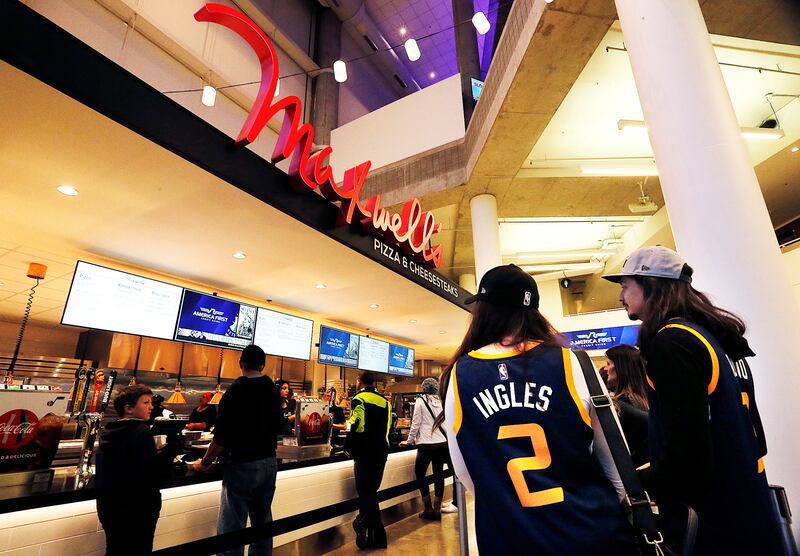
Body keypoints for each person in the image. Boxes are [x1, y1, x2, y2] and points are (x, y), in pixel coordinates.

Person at [439, 264, 636, 555]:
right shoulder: (573, 362)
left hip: (508, 537)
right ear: (533, 311)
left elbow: (466, 472)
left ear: (483, 310)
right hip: (586, 530)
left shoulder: (459, 374)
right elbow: (616, 464)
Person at [603, 245, 783, 554]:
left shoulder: (673, 343)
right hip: (750, 507)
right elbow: (757, 438)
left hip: (715, 524)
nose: (621, 296)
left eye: (625, 286)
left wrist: (631, 484)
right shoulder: (718, 340)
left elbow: (687, 461)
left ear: (651, 285)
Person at [194, 345, 282, 556]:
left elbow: (222, 436)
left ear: (241, 363)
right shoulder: (272, 390)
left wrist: (205, 462)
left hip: (242, 464)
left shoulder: (236, 391)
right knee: (262, 522)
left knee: (232, 527)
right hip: (269, 463)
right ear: (263, 366)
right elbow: (279, 425)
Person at [95, 385, 162, 555]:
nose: (151, 407)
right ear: (129, 409)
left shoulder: (108, 431)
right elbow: (150, 472)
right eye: (146, 403)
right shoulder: (141, 430)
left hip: (109, 506)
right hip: (137, 508)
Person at [344, 372, 392, 550]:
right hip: (381, 452)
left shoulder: (359, 399)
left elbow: (358, 425)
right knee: (370, 492)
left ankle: (365, 525)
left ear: (360, 382)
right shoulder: (385, 402)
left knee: (366, 492)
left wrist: (348, 445)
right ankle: (371, 533)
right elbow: (388, 427)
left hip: (364, 452)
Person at [401, 377, 449, 520]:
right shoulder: (442, 401)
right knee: (438, 474)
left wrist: (409, 441)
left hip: (426, 445)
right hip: (441, 443)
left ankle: (428, 508)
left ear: (424, 389)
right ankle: (437, 509)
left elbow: (415, 424)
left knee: (420, 473)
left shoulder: (421, 401)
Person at [603, 344, 649, 468]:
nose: (605, 368)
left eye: (608, 364)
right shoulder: (646, 399)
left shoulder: (621, 404)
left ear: (620, 367)